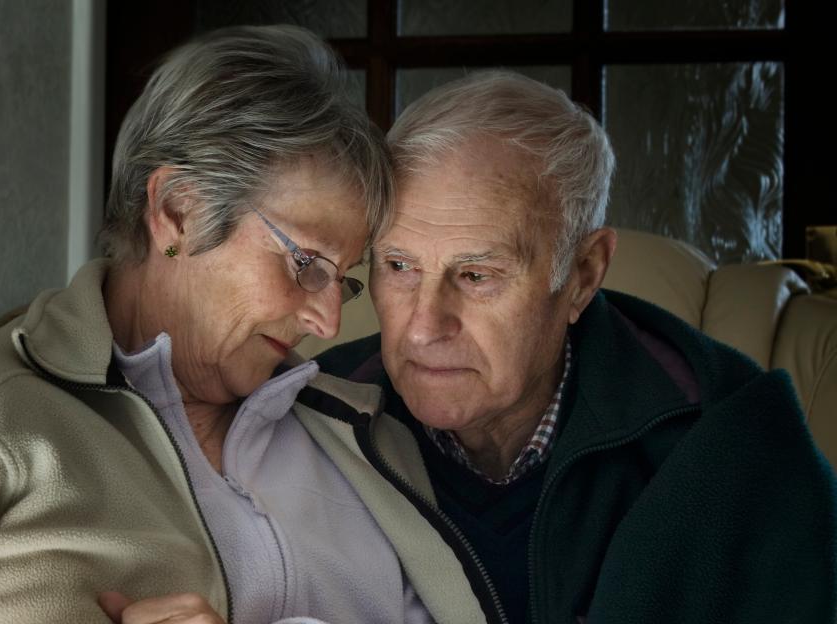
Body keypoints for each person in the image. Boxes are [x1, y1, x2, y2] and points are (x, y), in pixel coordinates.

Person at [0, 25, 445, 624]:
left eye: (342, 276)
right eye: (305, 264)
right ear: (176, 211)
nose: (327, 317)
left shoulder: (372, 436)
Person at [312, 70, 837, 623]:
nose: (422, 328)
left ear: (583, 275)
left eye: (476, 275)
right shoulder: (310, 418)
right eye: (399, 266)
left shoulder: (730, 440)